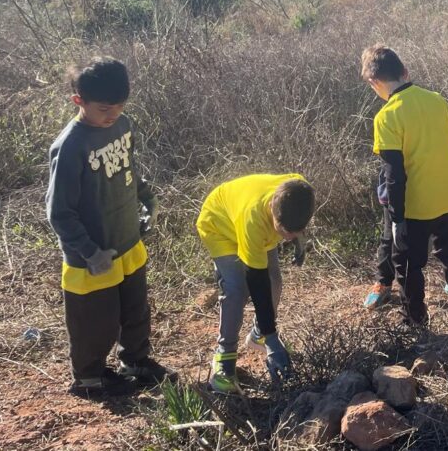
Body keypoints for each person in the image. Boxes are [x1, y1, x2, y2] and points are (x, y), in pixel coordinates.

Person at [46, 57, 172, 399]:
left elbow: (127, 169)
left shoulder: (122, 124)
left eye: (119, 106)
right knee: (96, 322)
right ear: (79, 102)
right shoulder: (70, 146)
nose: (112, 115)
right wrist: (90, 252)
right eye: (104, 109)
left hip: (127, 239)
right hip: (93, 254)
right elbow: (59, 212)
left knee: (135, 310)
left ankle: (136, 362)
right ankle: (90, 378)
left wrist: (146, 198)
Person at [361, 45, 448, 326]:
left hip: (415, 208)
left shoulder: (387, 117)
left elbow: (393, 173)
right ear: (405, 72)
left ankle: (416, 321)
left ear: (374, 83)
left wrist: (397, 219)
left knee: (408, 265)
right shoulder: (436, 99)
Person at [197, 173, 314, 394]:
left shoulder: (299, 190)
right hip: (220, 225)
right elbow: (256, 282)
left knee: (275, 281)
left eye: (294, 231)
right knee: (237, 289)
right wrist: (273, 337)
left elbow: (268, 280)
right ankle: (224, 358)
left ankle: (257, 336)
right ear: (272, 209)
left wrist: (300, 238)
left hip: (259, 225)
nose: (288, 237)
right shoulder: (253, 219)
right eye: (286, 232)